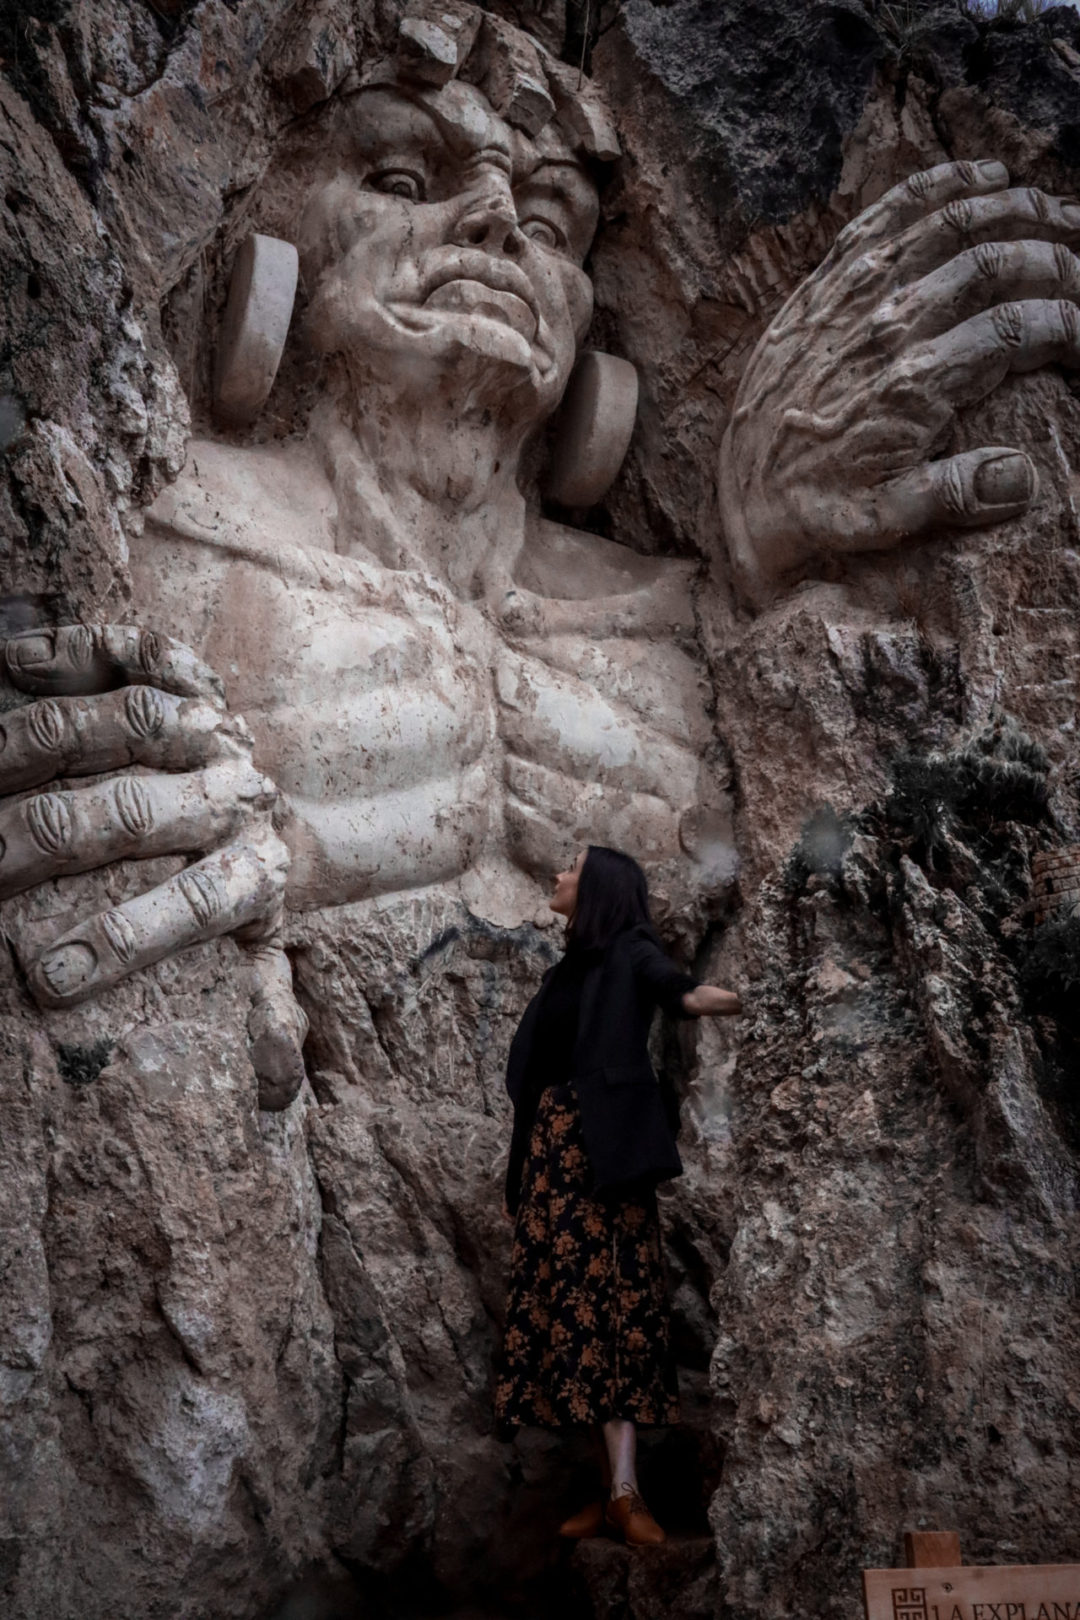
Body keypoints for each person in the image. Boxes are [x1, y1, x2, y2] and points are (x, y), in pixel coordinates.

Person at [493, 846, 741, 1546]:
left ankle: (629, 1495)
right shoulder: (562, 975)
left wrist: (757, 998)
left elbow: (684, 994)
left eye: (568, 866)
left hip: (603, 1162)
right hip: (551, 1162)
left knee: (610, 1314)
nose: (557, 875)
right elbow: (534, 1089)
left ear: (597, 885)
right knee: (565, 1319)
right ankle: (609, 1494)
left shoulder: (632, 950)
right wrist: (519, 1180)